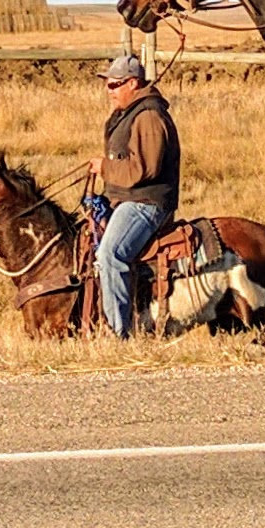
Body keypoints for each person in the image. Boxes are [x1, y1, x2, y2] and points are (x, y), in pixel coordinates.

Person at [86, 54, 181, 337]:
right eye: (107, 84)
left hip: (145, 203)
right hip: (126, 199)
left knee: (110, 254)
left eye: (115, 85)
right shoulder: (128, 114)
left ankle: (118, 333)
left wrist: (105, 167)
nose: (109, 91)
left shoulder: (149, 116)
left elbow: (145, 169)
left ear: (133, 83)